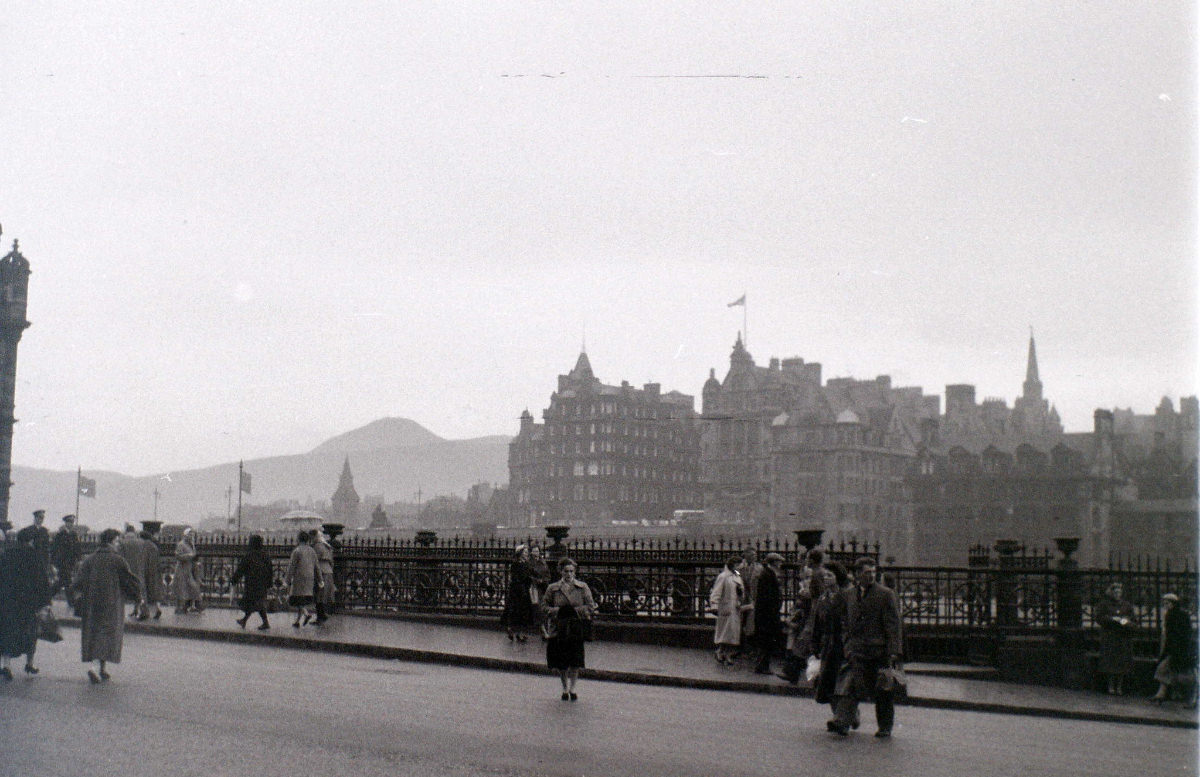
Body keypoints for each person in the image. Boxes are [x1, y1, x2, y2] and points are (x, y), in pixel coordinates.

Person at [829, 557, 903, 738]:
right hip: (857, 650)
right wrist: (848, 643)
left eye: (873, 572)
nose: (871, 576)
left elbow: (893, 624)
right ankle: (842, 722)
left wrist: (894, 651)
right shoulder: (849, 594)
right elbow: (844, 621)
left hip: (879, 650)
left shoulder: (886, 594)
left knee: (883, 690)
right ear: (856, 574)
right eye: (866, 572)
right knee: (851, 685)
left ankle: (885, 726)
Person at [70, 528, 142, 684]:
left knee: (94, 634)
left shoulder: (89, 559)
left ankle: (101, 669)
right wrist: (138, 597)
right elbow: (130, 581)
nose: (118, 544)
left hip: (91, 604)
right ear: (111, 541)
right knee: (106, 635)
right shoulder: (118, 560)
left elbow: (76, 583)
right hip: (111, 604)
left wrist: (78, 598)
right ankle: (95, 668)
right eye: (117, 541)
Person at [0, 526, 52, 679]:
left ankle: (6, 665)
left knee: (8, 632)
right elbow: (42, 582)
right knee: (31, 633)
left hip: (9, 601)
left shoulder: (7, 555)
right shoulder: (35, 557)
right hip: (29, 602)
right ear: (31, 540)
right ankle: (30, 663)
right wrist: (46, 601)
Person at [541, 556, 595, 700]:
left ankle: (573, 688)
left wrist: (576, 611)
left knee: (575, 660)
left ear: (575, 572)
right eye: (566, 571)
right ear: (561, 572)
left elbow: (591, 606)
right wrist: (557, 611)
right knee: (562, 662)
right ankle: (565, 688)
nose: (569, 574)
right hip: (560, 627)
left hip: (576, 626)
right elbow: (544, 606)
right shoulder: (552, 588)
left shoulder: (583, 587)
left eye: (571, 571)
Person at [809, 562, 854, 720]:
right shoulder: (823, 598)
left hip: (843, 644)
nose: (826, 578)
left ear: (838, 577)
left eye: (830, 575)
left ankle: (842, 718)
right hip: (828, 645)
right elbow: (816, 624)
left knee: (842, 683)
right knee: (828, 682)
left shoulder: (847, 596)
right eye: (825, 576)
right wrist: (814, 644)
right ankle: (841, 715)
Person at [1151, 593, 1196, 704]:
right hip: (1175, 649)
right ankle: (1165, 694)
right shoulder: (1171, 615)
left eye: (1167, 603)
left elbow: (1183, 633)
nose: (1165, 605)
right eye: (1164, 603)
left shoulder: (1178, 615)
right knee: (1169, 670)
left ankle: (1162, 694)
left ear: (1173, 603)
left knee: (1164, 669)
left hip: (1178, 649)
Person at [1096, 582, 1135, 695]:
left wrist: (1125, 621)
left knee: (1122, 663)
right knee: (1110, 663)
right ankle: (1111, 686)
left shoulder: (1126, 605)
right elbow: (1099, 618)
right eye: (1115, 591)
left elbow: (1133, 621)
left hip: (1123, 637)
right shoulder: (1104, 604)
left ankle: (1119, 686)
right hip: (1110, 636)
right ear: (1111, 592)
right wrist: (1112, 619)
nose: (1117, 594)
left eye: (1119, 591)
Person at [708, 556, 746, 666]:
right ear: (734, 565)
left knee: (732, 633)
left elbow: (741, 590)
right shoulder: (723, 576)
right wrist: (714, 604)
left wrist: (741, 596)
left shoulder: (737, 576)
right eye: (739, 565)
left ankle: (726, 653)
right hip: (726, 607)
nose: (740, 567)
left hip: (735, 607)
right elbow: (716, 591)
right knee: (725, 631)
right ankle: (721, 652)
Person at [232, 534, 274, 630]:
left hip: (251, 583)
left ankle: (250, 621)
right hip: (263, 583)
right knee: (257, 603)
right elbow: (270, 570)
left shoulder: (249, 555)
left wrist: (234, 580)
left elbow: (240, 569)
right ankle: (246, 620)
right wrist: (269, 583)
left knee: (252, 602)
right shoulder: (265, 555)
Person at [753, 553, 785, 674]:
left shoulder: (767, 573)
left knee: (765, 641)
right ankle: (762, 666)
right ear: (774, 562)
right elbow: (769, 596)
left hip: (765, 614)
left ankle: (762, 665)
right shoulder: (768, 575)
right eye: (779, 561)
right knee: (766, 641)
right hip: (767, 615)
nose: (781, 564)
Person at [286, 530, 321, 627]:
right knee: (302, 599)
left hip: (299, 577)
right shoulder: (312, 551)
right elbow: (317, 566)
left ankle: (306, 614)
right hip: (310, 578)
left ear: (298, 539)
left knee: (296, 599)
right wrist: (320, 579)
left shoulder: (297, 551)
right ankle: (297, 621)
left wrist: (287, 580)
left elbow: (291, 567)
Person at [501, 545, 535, 642]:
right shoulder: (515, 564)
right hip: (517, 591)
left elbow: (531, 573)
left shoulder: (526, 563)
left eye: (527, 552)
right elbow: (516, 578)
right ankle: (511, 629)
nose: (526, 554)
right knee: (515, 610)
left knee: (523, 612)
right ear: (520, 553)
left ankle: (519, 632)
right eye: (525, 552)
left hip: (524, 589)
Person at [736, 547, 763, 658]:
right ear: (745, 556)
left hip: (755, 599)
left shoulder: (759, 568)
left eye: (755, 555)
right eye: (752, 555)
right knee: (740, 623)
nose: (754, 557)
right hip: (743, 599)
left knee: (752, 625)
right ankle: (741, 649)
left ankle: (751, 649)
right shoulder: (739, 568)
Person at [119, 524, 148, 619]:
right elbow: (145, 556)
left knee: (122, 592)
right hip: (140, 569)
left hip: (127, 571)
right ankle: (141, 611)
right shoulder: (142, 542)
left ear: (126, 532)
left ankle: (120, 613)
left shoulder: (122, 543)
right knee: (140, 591)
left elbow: (120, 558)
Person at [50, 514, 82, 597]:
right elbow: (54, 549)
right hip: (62, 563)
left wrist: (79, 559)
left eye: (72, 522)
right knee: (66, 581)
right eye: (69, 522)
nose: (71, 524)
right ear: (65, 523)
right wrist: (53, 563)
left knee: (63, 582)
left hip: (70, 562)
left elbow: (77, 548)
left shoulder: (74, 535)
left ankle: (47, 596)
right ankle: (71, 602)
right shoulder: (60, 535)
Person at [173, 528, 203, 613]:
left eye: (193, 535)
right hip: (182, 570)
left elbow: (193, 556)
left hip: (189, 570)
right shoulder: (181, 544)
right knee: (183, 590)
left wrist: (195, 562)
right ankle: (181, 608)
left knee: (191, 588)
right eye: (190, 534)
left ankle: (191, 606)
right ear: (185, 535)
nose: (192, 536)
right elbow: (178, 556)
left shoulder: (191, 545)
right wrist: (190, 556)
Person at [311, 530, 336, 624]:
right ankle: (323, 614)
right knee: (323, 595)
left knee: (318, 595)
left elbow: (315, 560)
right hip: (328, 570)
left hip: (320, 572)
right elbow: (331, 561)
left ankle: (319, 617)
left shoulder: (317, 546)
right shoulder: (327, 546)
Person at [139, 527, 163, 620]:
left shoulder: (147, 546)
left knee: (146, 593)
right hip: (152, 573)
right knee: (152, 594)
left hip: (148, 573)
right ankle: (156, 610)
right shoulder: (152, 546)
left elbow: (147, 561)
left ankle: (145, 613)